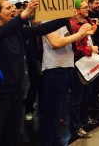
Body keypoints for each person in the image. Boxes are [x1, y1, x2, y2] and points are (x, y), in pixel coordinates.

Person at [0, 0, 69, 146]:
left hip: (16, 91)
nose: (13, 9)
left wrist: (65, 17)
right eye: (8, 8)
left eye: (12, 7)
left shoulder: (16, 30)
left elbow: (42, 29)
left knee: (14, 134)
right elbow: (2, 32)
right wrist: (24, 14)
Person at [39, 10, 93, 146]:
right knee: (52, 112)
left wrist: (83, 33)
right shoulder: (48, 20)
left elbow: (69, 42)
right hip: (54, 69)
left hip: (66, 68)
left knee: (59, 112)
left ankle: (54, 141)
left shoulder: (64, 22)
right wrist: (80, 33)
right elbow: (55, 43)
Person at [69, 0, 98, 139]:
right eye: (85, 7)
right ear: (76, 9)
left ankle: (84, 119)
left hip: (88, 63)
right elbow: (74, 48)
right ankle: (75, 126)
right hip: (78, 64)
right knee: (77, 97)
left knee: (86, 94)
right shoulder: (72, 25)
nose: (88, 9)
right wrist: (90, 49)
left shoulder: (86, 22)